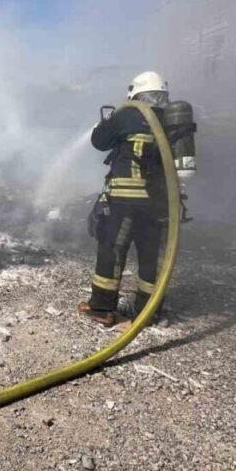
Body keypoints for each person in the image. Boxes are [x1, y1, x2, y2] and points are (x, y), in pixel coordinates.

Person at [78, 71, 170, 327]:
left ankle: (102, 308)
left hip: (124, 201)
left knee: (112, 250)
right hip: (160, 204)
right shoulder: (171, 119)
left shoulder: (129, 114)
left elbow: (99, 141)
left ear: (135, 93)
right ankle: (148, 312)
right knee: (152, 257)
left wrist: (103, 124)